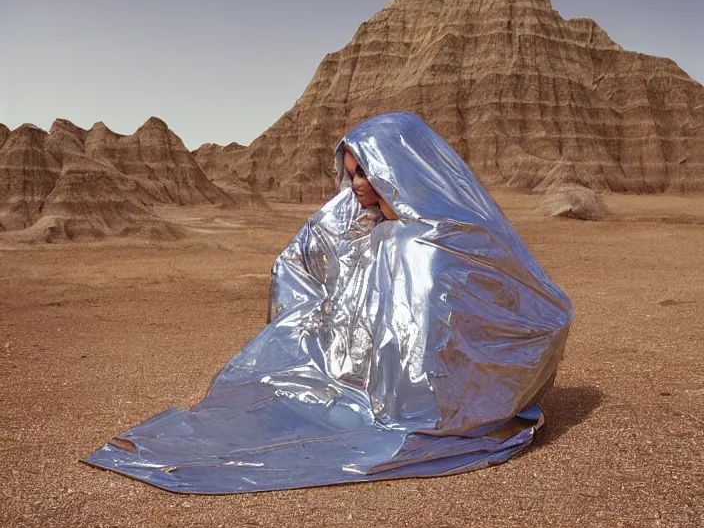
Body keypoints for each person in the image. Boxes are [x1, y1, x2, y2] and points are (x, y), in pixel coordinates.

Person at [84, 112, 573, 494]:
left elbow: (466, 323)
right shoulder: (378, 229)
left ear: (400, 173)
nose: (357, 185)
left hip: (424, 407)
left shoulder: (433, 242)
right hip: (379, 387)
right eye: (352, 173)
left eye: (368, 174)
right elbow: (303, 257)